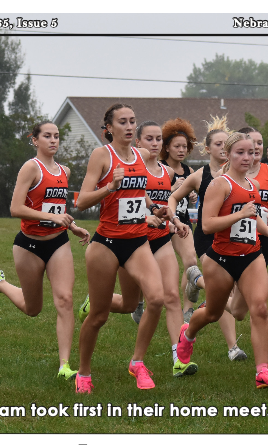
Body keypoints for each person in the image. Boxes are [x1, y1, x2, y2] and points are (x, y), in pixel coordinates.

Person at [73, 104, 177, 393]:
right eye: (123, 122)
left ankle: (137, 362)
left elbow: (139, 192)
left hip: (137, 241)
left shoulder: (141, 155)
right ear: (109, 128)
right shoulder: (102, 155)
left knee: (155, 299)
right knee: (99, 316)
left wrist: (154, 209)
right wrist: (110, 186)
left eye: (132, 121)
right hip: (106, 244)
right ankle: (83, 372)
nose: (129, 126)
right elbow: (81, 201)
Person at [174, 131, 268, 389]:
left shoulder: (253, 185)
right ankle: (187, 334)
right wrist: (239, 215)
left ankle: (262, 371)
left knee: (260, 308)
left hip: (251, 255)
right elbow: (207, 225)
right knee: (213, 313)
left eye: (251, 153)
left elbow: (253, 216)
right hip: (221, 260)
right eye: (240, 152)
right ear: (228, 154)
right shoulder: (220, 185)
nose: (247, 157)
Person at [0, 121, 90, 380]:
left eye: (57, 136)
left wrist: (72, 226)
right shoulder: (31, 168)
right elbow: (15, 208)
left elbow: (57, 208)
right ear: (35, 140)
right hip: (29, 244)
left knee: (65, 299)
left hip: (58, 242)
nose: (53, 140)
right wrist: (52, 217)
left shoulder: (64, 170)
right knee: (33, 309)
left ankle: (64, 366)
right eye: (47, 136)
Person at [168, 116, 249, 362]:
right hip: (208, 238)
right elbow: (173, 197)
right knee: (226, 290)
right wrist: (174, 217)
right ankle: (233, 347)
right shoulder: (199, 176)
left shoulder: (240, 174)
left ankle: (197, 280)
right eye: (218, 144)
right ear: (207, 149)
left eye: (227, 144)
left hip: (234, 238)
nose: (223, 149)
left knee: (227, 295)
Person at [159, 118, 200, 323]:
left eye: (185, 146)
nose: (182, 150)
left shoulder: (189, 171)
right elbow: (153, 196)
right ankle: (138, 302)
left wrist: (192, 196)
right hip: (160, 222)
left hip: (181, 222)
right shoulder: (159, 168)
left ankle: (188, 310)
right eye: (177, 146)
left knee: (191, 260)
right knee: (152, 269)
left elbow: (190, 195)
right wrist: (173, 189)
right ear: (167, 147)